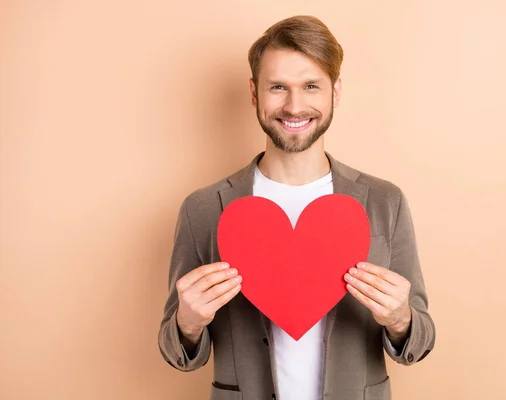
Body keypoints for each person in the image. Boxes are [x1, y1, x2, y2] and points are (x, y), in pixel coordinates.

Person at [158, 15, 435, 400]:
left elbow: (418, 341)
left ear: (334, 92)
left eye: (310, 86)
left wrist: (400, 319)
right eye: (277, 87)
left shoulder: (385, 201)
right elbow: (176, 352)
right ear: (254, 94)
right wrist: (187, 324)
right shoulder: (203, 209)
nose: (294, 105)